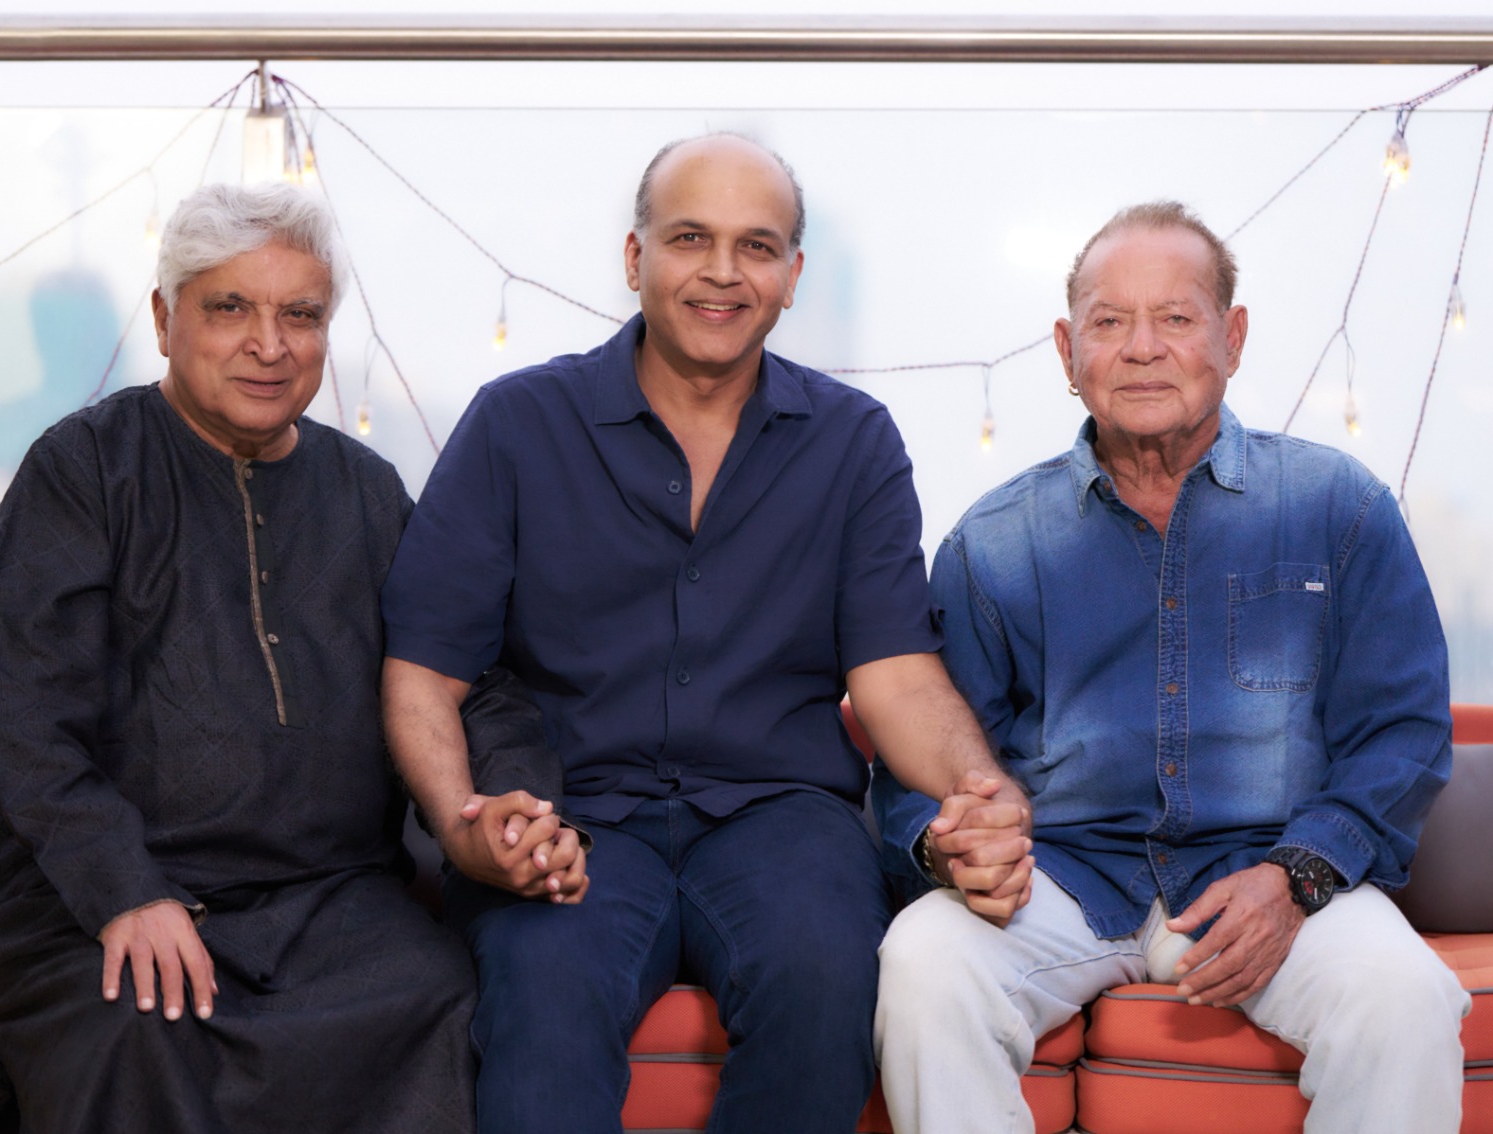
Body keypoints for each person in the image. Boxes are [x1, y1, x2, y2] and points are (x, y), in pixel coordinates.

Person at [379, 132, 1022, 1134]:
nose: (723, 271)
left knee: (827, 988)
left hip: (783, 819)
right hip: (572, 814)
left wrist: (980, 794)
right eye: (690, 238)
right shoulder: (516, 424)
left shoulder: (853, 442)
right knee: (543, 1012)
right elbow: (424, 673)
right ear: (635, 258)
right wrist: (466, 827)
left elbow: (898, 677)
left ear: (792, 277)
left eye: (756, 246)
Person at [873, 200, 1471, 1133]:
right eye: (1110, 322)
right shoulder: (992, 543)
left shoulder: (1338, 507)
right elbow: (920, 764)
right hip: (1060, 879)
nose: (1143, 348)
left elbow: (1401, 734)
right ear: (1068, 351)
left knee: (1407, 1001)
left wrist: (1298, 876)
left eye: (1176, 318)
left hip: (1270, 872)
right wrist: (948, 846)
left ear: (1232, 338)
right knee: (923, 962)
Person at [0, 182, 483, 1134]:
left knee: (439, 999)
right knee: (136, 1025)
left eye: (300, 315)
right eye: (231, 307)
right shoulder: (81, 470)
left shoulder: (367, 493)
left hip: (323, 899)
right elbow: (26, 722)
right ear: (164, 319)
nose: (270, 345)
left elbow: (458, 675)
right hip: (87, 893)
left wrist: (504, 801)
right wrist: (126, 892)